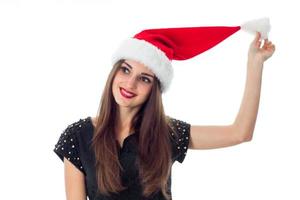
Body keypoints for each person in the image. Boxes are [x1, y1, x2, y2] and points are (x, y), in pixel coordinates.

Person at [53, 18, 276, 200]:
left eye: (144, 79)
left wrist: (255, 63)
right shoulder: (78, 137)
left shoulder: (166, 133)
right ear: (115, 72)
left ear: (154, 89)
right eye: (126, 70)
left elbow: (239, 133)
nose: (130, 84)